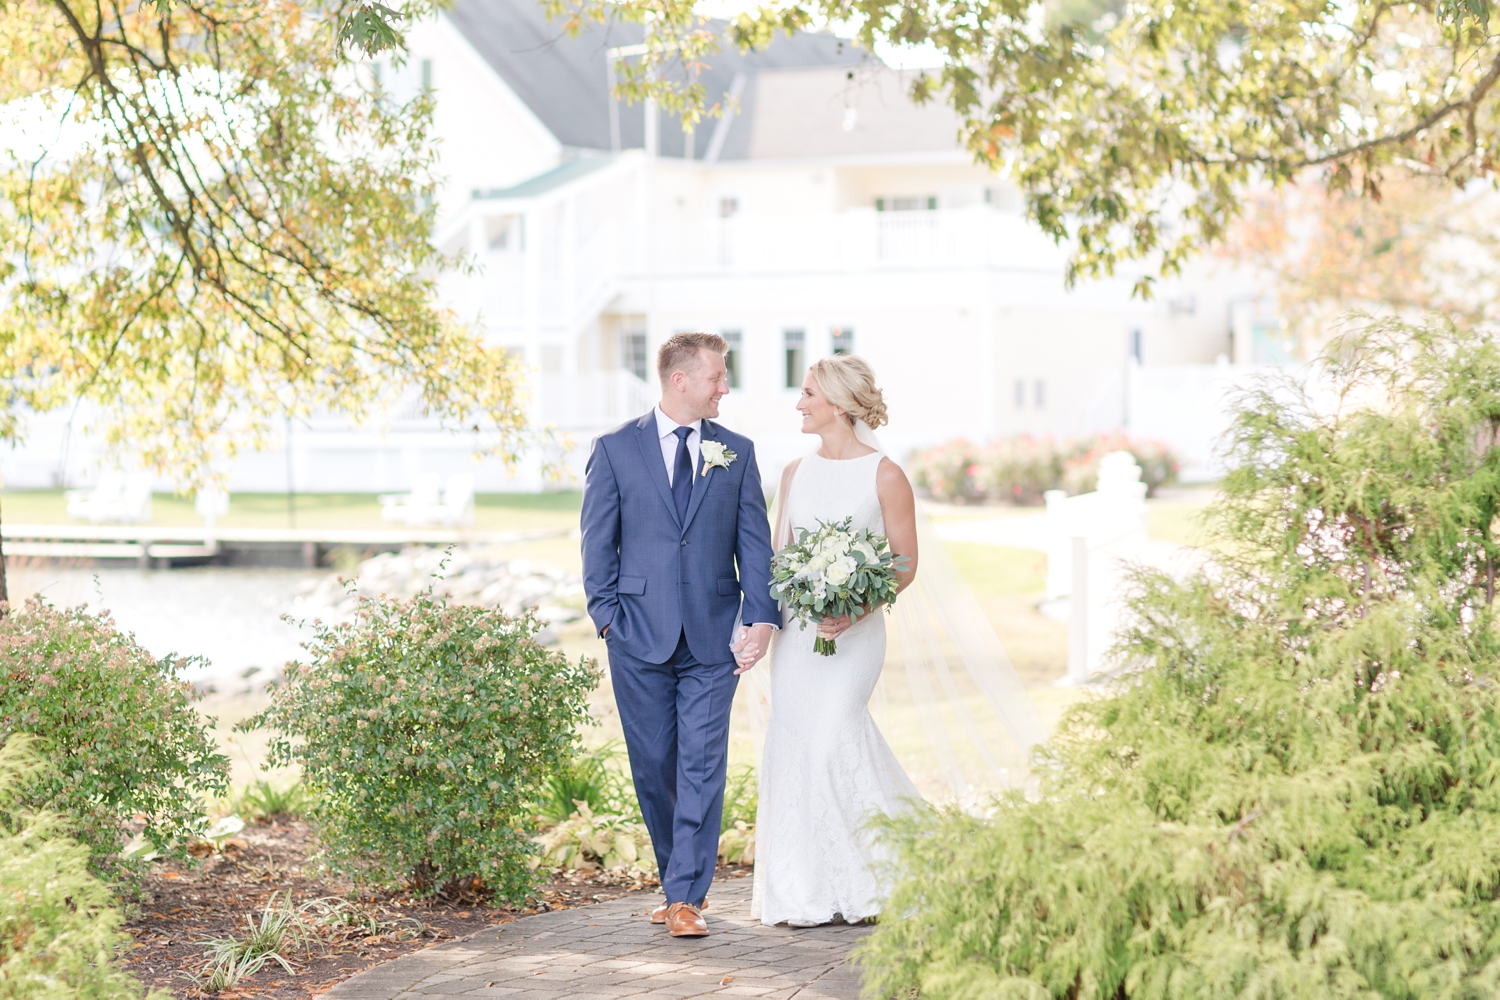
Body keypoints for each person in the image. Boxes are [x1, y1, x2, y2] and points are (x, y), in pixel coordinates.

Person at [580, 332, 780, 938]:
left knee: (700, 761)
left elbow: (755, 542)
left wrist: (762, 615)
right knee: (655, 764)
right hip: (636, 634)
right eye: (718, 377)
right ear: (680, 381)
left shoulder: (736, 452)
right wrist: (607, 617)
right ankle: (676, 884)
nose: (725, 387)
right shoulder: (615, 449)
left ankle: (686, 897)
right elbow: (597, 541)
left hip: (714, 637)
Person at [746, 354, 923, 927]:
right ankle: (806, 888)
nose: (799, 403)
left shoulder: (885, 474)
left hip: (856, 636)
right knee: (796, 745)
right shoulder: (796, 472)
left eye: (808, 394)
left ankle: (884, 872)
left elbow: (904, 563)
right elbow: (780, 558)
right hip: (800, 639)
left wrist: (853, 608)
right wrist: (772, 617)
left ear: (841, 404)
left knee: (832, 738)